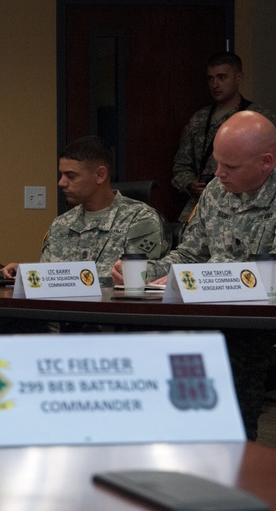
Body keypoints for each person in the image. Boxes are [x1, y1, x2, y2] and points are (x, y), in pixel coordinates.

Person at [115, 110, 276, 440]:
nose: (218, 174)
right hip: (205, 314)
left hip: (254, 326)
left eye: (230, 167)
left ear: (266, 162)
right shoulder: (216, 191)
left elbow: (269, 275)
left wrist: (204, 281)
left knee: (231, 419)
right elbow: (191, 254)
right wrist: (143, 273)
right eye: (218, 163)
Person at [3, 136, 169, 284]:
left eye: (71, 176)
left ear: (100, 175)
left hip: (111, 314)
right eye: (61, 175)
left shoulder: (140, 219)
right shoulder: (62, 223)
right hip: (60, 314)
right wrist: (26, 274)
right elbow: (50, 278)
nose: (61, 183)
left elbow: (136, 279)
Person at [171, 52, 276, 221]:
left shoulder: (260, 118)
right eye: (210, 79)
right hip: (203, 201)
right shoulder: (199, 119)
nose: (215, 84)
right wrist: (189, 184)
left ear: (238, 78)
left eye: (222, 77)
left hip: (249, 205)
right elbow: (181, 164)